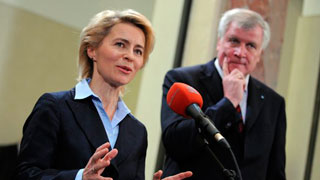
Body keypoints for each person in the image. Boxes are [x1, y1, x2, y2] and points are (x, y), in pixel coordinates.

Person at [15, 9, 192, 180]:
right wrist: (80, 177)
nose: (129, 56)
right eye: (120, 44)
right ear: (92, 50)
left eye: (138, 51)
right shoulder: (55, 107)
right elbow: (25, 174)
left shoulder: (138, 132)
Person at [161, 8, 286, 180]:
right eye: (234, 41)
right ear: (219, 42)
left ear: (259, 54)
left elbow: (275, 170)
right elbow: (175, 142)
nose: (240, 52)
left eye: (250, 45)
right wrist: (228, 102)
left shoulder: (274, 102)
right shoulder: (182, 79)